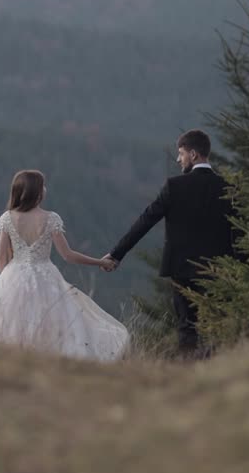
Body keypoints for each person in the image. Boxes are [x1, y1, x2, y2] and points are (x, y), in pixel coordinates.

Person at [0, 169, 130, 361]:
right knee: (54, 321)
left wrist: (7, 281)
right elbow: (68, 255)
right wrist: (99, 262)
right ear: (37, 191)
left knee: (7, 322)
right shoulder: (50, 219)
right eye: (43, 186)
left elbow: (1, 257)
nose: (45, 189)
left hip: (13, 275)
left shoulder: (8, 218)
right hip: (46, 276)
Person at [101, 129, 237, 357]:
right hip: (219, 270)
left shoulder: (175, 187)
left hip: (182, 270)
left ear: (193, 155)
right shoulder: (229, 188)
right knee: (219, 327)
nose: (178, 159)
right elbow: (239, 233)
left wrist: (116, 255)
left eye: (181, 153)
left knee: (187, 328)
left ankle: (187, 375)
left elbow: (145, 221)